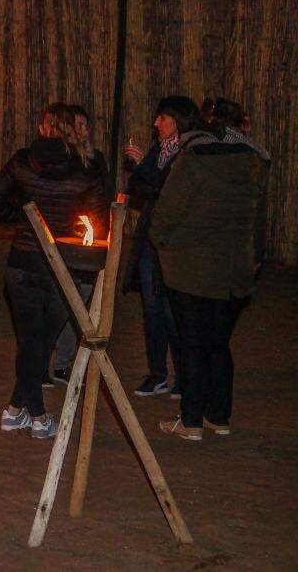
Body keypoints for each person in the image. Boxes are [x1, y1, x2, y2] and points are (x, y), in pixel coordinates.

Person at [0, 103, 109, 440]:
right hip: (61, 268)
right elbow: (97, 224)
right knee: (39, 342)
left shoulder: (23, 162)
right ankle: (36, 416)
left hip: (22, 264)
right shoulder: (85, 172)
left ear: (43, 129)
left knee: (31, 341)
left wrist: (22, 217)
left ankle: (14, 410)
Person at [148, 116, 268, 441]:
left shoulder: (191, 164)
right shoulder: (252, 167)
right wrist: (254, 257)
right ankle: (218, 416)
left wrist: (161, 243)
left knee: (193, 344)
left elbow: (166, 214)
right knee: (218, 344)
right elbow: (259, 221)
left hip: (192, 270)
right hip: (234, 272)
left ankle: (191, 421)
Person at [124, 95, 197, 397]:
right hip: (150, 240)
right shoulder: (160, 150)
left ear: (177, 121)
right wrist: (144, 169)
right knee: (152, 309)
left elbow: (165, 189)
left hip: (176, 242)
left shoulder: (189, 154)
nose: (156, 123)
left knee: (174, 311)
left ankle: (183, 375)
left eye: (162, 118)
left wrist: (143, 167)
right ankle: (158, 373)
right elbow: (139, 188)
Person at [47, 104, 113, 382]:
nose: (85, 131)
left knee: (81, 305)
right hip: (68, 240)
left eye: (87, 126)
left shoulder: (95, 160)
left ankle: (63, 362)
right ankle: (52, 362)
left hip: (91, 241)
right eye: (80, 126)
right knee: (66, 305)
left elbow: (107, 196)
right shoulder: (63, 163)